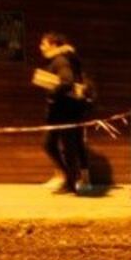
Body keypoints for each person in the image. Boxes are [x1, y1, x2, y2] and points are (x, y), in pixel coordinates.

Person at [34, 32, 90, 194]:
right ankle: (70, 180)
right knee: (58, 145)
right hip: (66, 111)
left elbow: (66, 81)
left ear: (53, 45)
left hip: (64, 111)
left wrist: (52, 94)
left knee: (57, 145)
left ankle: (71, 181)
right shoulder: (63, 59)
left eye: (43, 44)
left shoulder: (60, 61)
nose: (41, 47)